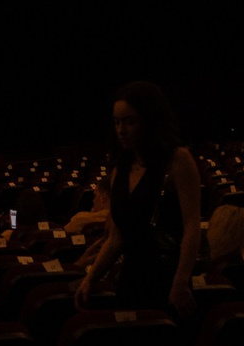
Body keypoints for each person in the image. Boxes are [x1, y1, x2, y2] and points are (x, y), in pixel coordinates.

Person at [74, 82, 204, 315]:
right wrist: (91, 279)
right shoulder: (119, 172)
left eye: (129, 121)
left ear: (149, 120)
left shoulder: (177, 159)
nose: (121, 130)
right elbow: (116, 239)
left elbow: (192, 226)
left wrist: (180, 281)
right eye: (117, 122)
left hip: (169, 277)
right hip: (131, 280)